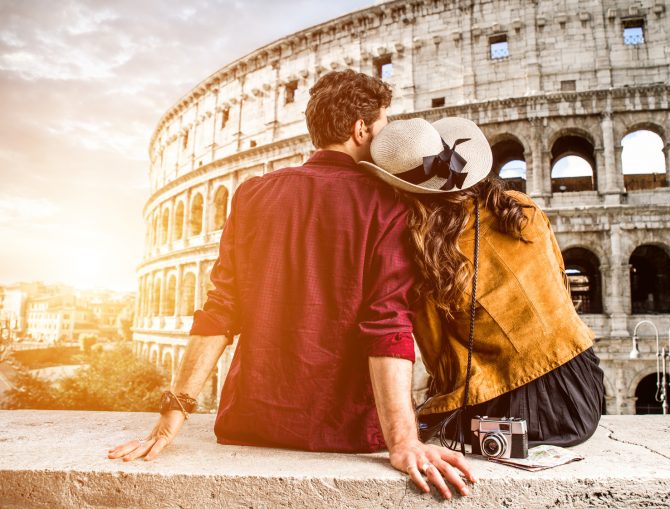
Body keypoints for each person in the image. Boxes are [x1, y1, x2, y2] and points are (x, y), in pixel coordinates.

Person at [108, 71, 474, 500]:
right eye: (381, 126)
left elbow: (220, 311)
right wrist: (403, 441)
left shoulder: (251, 195)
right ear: (361, 130)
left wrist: (173, 415)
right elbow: (387, 325)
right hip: (347, 431)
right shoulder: (390, 203)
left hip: (253, 422)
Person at [359, 117, 604, 450]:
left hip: (510, 412)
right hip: (581, 394)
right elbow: (560, 286)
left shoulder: (424, 253)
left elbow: (439, 356)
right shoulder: (522, 207)